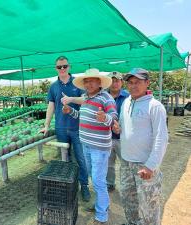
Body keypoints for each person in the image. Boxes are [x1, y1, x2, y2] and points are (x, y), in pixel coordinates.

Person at [113, 68, 168, 225]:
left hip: (145, 165)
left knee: (149, 205)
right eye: (130, 82)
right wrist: (118, 129)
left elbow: (161, 137)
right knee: (128, 200)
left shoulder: (155, 106)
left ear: (147, 83)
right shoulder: (125, 103)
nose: (133, 86)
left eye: (137, 82)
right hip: (126, 162)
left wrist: (150, 166)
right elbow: (124, 128)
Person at [63, 68, 117, 224]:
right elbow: (82, 116)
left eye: (92, 80)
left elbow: (113, 118)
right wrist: (70, 110)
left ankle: (102, 214)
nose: (89, 83)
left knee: (99, 181)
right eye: (86, 81)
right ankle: (101, 204)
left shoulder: (106, 98)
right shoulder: (85, 98)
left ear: (99, 82)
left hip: (99, 148)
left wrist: (104, 118)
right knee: (94, 178)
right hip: (86, 145)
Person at [40, 56, 91, 202]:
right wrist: (46, 125)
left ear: (69, 67)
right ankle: (69, 186)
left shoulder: (78, 84)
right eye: (59, 67)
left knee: (81, 158)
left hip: (77, 128)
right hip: (61, 128)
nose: (62, 69)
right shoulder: (53, 86)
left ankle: (84, 186)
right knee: (65, 159)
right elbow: (51, 106)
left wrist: (71, 99)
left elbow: (85, 100)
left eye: (64, 66)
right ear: (56, 68)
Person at [106, 71, 129, 192]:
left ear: (122, 82)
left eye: (117, 80)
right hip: (107, 137)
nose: (114, 83)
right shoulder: (103, 96)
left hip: (123, 138)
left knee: (126, 163)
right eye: (112, 81)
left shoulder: (128, 97)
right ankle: (110, 183)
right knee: (109, 164)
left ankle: (127, 186)